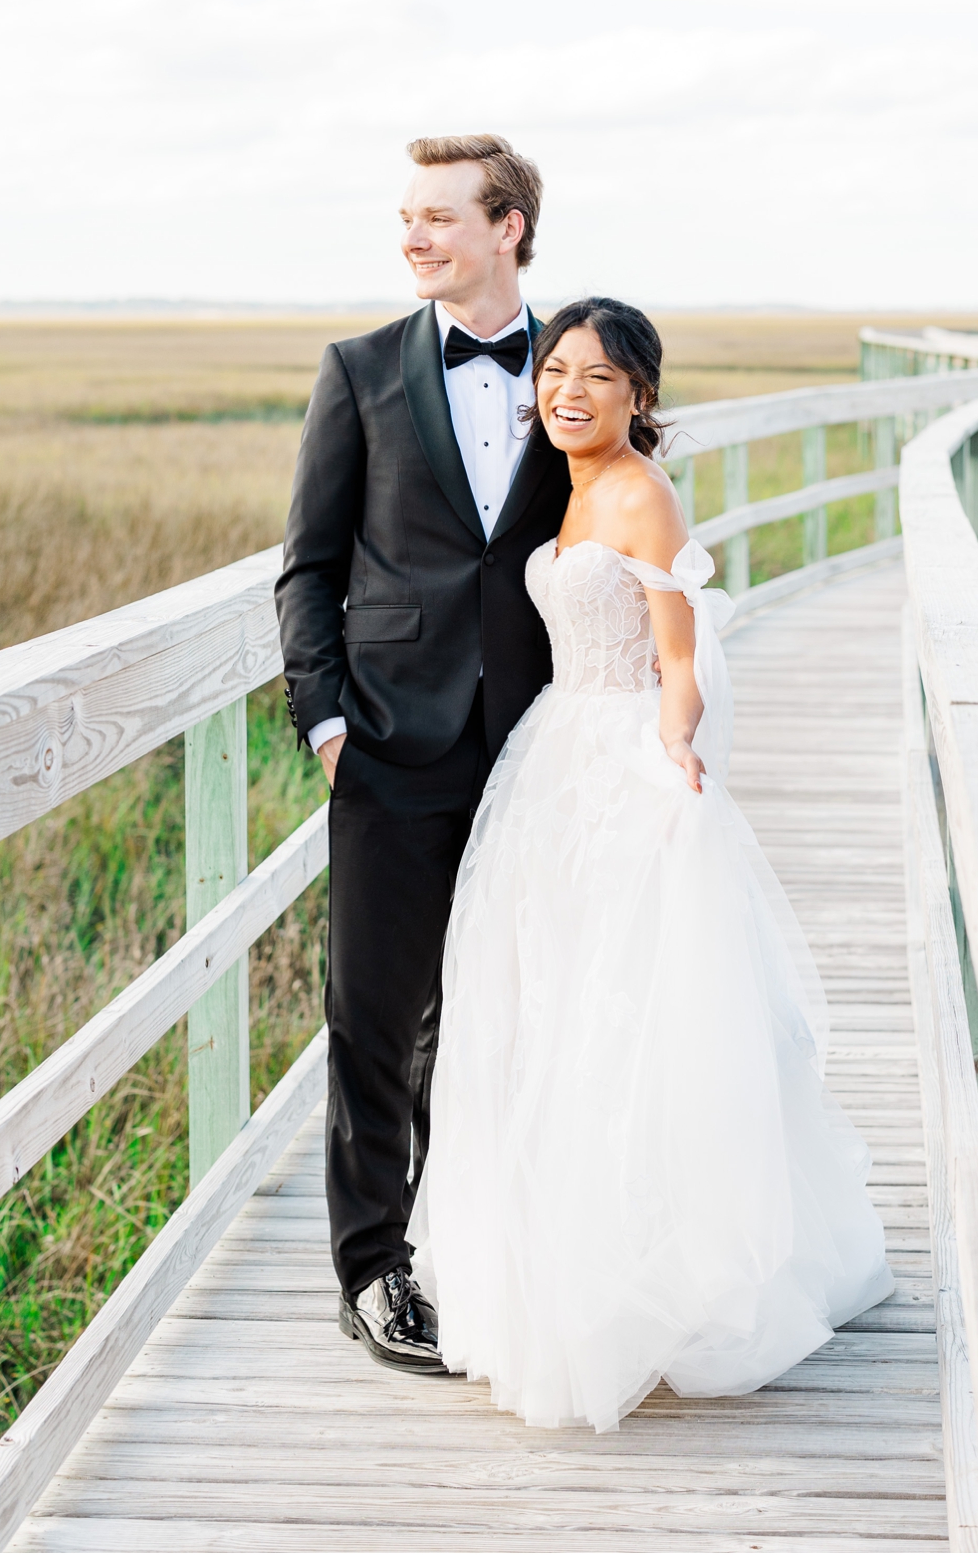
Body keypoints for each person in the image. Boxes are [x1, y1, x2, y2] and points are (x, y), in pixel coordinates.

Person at [408, 298, 894, 1430]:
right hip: (556, 757)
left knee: (626, 1012)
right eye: (557, 371)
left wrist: (675, 751)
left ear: (640, 396)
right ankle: (561, 1268)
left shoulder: (638, 491)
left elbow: (680, 654)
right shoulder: (572, 488)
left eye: (599, 378)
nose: (568, 391)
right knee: (550, 1004)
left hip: (620, 756)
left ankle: (653, 1285)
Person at [275, 133, 570, 1371]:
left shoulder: (575, 367)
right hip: (391, 746)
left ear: (508, 227)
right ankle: (371, 1271)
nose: (413, 237)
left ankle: (475, 1251)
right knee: (373, 1015)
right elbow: (309, 564)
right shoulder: (356, 372)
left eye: (440, 217)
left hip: (542, 748)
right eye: (405, 217)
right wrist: (327, 721)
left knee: (508, 1009)